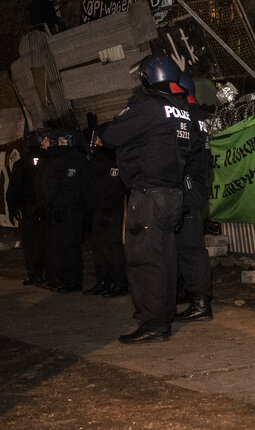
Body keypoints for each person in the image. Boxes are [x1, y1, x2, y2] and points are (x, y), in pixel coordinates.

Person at [102, 55, 194, 344]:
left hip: (148, 196)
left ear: (148, 78)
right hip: (173, 194)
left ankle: (154, 323)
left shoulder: (148, 105)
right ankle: (163, 315)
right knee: (166, 258)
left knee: (144, 260)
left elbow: (111, 136)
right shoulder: (182, 109)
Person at [175, 73, 215, 321]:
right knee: (185, 245)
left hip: (189, 187)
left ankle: (200, 302)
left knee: (190, 247)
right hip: (197, 186)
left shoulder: (186, 117)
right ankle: (189, 293)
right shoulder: (198, 115)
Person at [83, 123, 129, 297]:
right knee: (99, 249)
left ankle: (119, 283)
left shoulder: (116, 158)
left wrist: (108, 208)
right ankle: (103, 281)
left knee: (113, 249)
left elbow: (116, 189)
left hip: (112, 211)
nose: (96, 141)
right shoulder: (96, 159)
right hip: (98, 210)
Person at [40, 127, 87, 293]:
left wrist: (61, 204)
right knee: (59, 247)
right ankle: (61, 278)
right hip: (58, 210)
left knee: (69, 247)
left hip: (70, 211)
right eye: (58, 142)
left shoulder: (75, 160)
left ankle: (72, 281)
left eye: (63, 142)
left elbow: (72, 188)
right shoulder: (57, 159)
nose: (59, 145)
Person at [7, 130, 47, 287]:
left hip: (28, 209)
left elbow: (13, 189)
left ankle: (35, 274)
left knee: (31, 244)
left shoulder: (21, 163)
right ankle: (49, 273)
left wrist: (12, 209)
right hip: (45, 209)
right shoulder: (49, 160)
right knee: (46, 241)